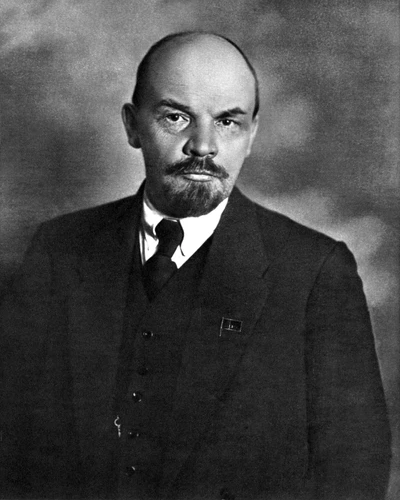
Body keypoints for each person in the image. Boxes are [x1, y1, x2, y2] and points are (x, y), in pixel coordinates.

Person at [0, 31, 391, 500]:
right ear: (132, 126)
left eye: (228, 122)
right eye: (176, 117)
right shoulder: (58, 250)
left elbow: (353, 476)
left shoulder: (316, 274)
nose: (202, 145)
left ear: (252, 136)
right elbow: (14, 450)